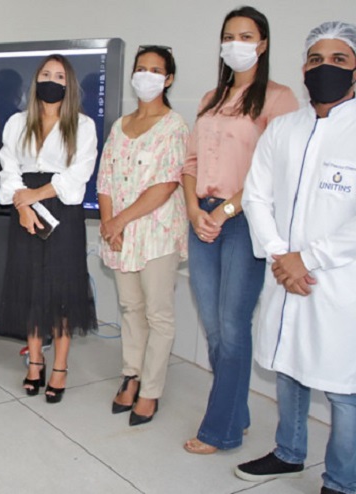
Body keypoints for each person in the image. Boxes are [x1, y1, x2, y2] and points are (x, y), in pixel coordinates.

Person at [236, 21, 356, 494]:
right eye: (316, 59)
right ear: (303, 67)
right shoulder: (284, 128)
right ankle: (289, 452)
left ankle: (342, 481)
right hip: (284, 272)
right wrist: (279, 255)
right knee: (288, 366)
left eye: (339, 59)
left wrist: (308, 258)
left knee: (343, 386)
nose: (325, 68)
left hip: (339, 281)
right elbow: (255, 196)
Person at [181, 6, 298, 454]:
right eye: (229, 36)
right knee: (213, 326)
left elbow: (275, 171)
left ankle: (221, 430)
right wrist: (194, 209)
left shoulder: (279, 98)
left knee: (233, 326)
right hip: (202, 218)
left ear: (262, 44)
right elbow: (191, 163)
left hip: (245, 220)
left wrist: (227, 210)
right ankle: (237, 412)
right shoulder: (211, 97)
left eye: (246, 36)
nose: (236, 44)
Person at [0, 54, 98, 403]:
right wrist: (23, 206)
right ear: (35, 80)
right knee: (30, 289)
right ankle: (36, 361)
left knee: (62, 291)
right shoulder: (16, 123)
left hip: (62, 212)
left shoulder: (83, 126)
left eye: (59, 76)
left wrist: (34, 195)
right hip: (24, 212)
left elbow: (79, 174)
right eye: (45, 74)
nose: (51, 81)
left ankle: (60, 366)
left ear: (69, 85)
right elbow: (8, 168)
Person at [98, 46, 188, 424]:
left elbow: (165, 185)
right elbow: (105, 179)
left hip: (157, 235)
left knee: (158, 314)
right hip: (119, 235)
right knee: (130, 308)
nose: (146, 76)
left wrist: (118, 222)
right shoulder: (120, 126)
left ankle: (151, 390)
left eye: (155, 70)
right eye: (141, 68)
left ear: (168, 79)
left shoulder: (174, 126)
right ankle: (131, 375)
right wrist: (108, 224)